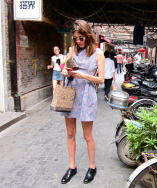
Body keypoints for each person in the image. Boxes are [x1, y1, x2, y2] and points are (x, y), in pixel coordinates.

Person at [60, 20, 105, 185]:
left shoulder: (98, 53)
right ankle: (72, 167)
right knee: (70, 134)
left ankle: (92, 166)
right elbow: (65, 69)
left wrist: (83, 75)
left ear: (88, 36)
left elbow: (100, 79)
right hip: (70, 93)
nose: (79, 41)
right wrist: (66, 72)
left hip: (87, 94)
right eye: (76, 38)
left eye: (81, 38)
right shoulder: (72, 50)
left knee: (87, 135)